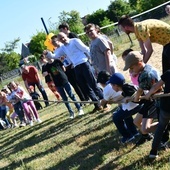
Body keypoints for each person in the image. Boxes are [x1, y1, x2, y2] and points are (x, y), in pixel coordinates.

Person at [44, 32, 103, 112]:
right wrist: (47, 53)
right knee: (84, 86)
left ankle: (104, 101)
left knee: (92, 84)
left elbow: (86, 49)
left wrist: (92, 61)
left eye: (63, 37)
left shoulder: (74, 41)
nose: (62, 39)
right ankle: (97, 104)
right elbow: (55, 56)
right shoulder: (62, 48)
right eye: (60, 39)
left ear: (66, 35)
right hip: (76, 67)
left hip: (84, 63)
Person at [123, 51, 161, 146]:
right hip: (150, 98)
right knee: (136, 122)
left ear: (139, 63)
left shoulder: (145, 75)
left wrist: (134, 99)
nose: (131, 71)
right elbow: (140, 91)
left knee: (145, 128)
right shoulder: (146, 68)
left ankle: (166, 125)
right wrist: (130, 98)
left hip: (157, 100)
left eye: (132, 68)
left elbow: (139, 92)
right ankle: (147, 136)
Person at [51, 35, 89, 102]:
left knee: (80, 82)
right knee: (74, 84)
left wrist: (72, 63)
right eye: (52, 43)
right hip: (66, 68)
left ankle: (87, 96)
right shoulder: (56, 51)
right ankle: (82, 99)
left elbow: (71, 54)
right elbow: (56, 58)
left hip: (73, 65)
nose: (54, 43)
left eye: (54, 41)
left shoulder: (64, 46)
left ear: (58, 40)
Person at [109, 72, 142, 144]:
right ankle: (134, 132)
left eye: (112, 85)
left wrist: (129, 97)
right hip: (133, 106)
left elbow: (136, 93)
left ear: (116, 85)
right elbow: (122, 97)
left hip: (136, 106)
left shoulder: (127, 87)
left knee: (116, 118)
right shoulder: (125, 87)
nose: (112, 87)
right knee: (125, 115)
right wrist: (113, 100)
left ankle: (127, 136)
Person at [144, 69, 170, 158]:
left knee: (161, 127)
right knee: (161, 126)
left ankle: (153, 152)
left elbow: (156, 87)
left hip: (166, 107)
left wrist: (149, 94)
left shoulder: (168, 72)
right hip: (166, 106)